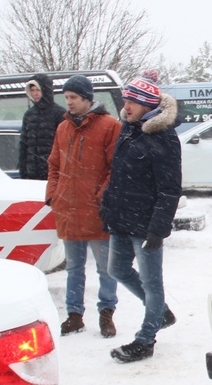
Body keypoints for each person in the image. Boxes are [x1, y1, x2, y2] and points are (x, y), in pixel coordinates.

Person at [100, 69, 182, 363]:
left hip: (146, 225)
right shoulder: (129, 128)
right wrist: (107, 206)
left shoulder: (165, 138)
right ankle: (159, 312)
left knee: (152, 283)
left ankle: (146, 339)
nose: (126, 107)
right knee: (117, 270)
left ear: (148, 105)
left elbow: (170, 189)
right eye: (124, 101)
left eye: (131, 102)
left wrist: (158, 230)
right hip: (121, 219)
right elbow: (118, 175)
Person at [47, 74, 123, 338]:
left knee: (106, 268)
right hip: (68, 209)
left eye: (73, 98)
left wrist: (101, 197)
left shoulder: (109, 125)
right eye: (66, 98)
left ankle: (106, 314)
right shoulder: (62, 128)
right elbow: (54, 165)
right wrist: (53, 195)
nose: (68, 103)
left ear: (87, 98)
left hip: (97, 211)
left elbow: (115, 168)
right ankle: (74, 315)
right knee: (74, 268)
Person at [19, 73, 66, 181]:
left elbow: (64, 146)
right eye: (32, 90)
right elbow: (24, 145)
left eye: (38, 90)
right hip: (31, 174)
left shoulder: (59, 113)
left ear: (45, 90)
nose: (35, 93)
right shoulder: (29, 115)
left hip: (52, 174)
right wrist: (23, 169)